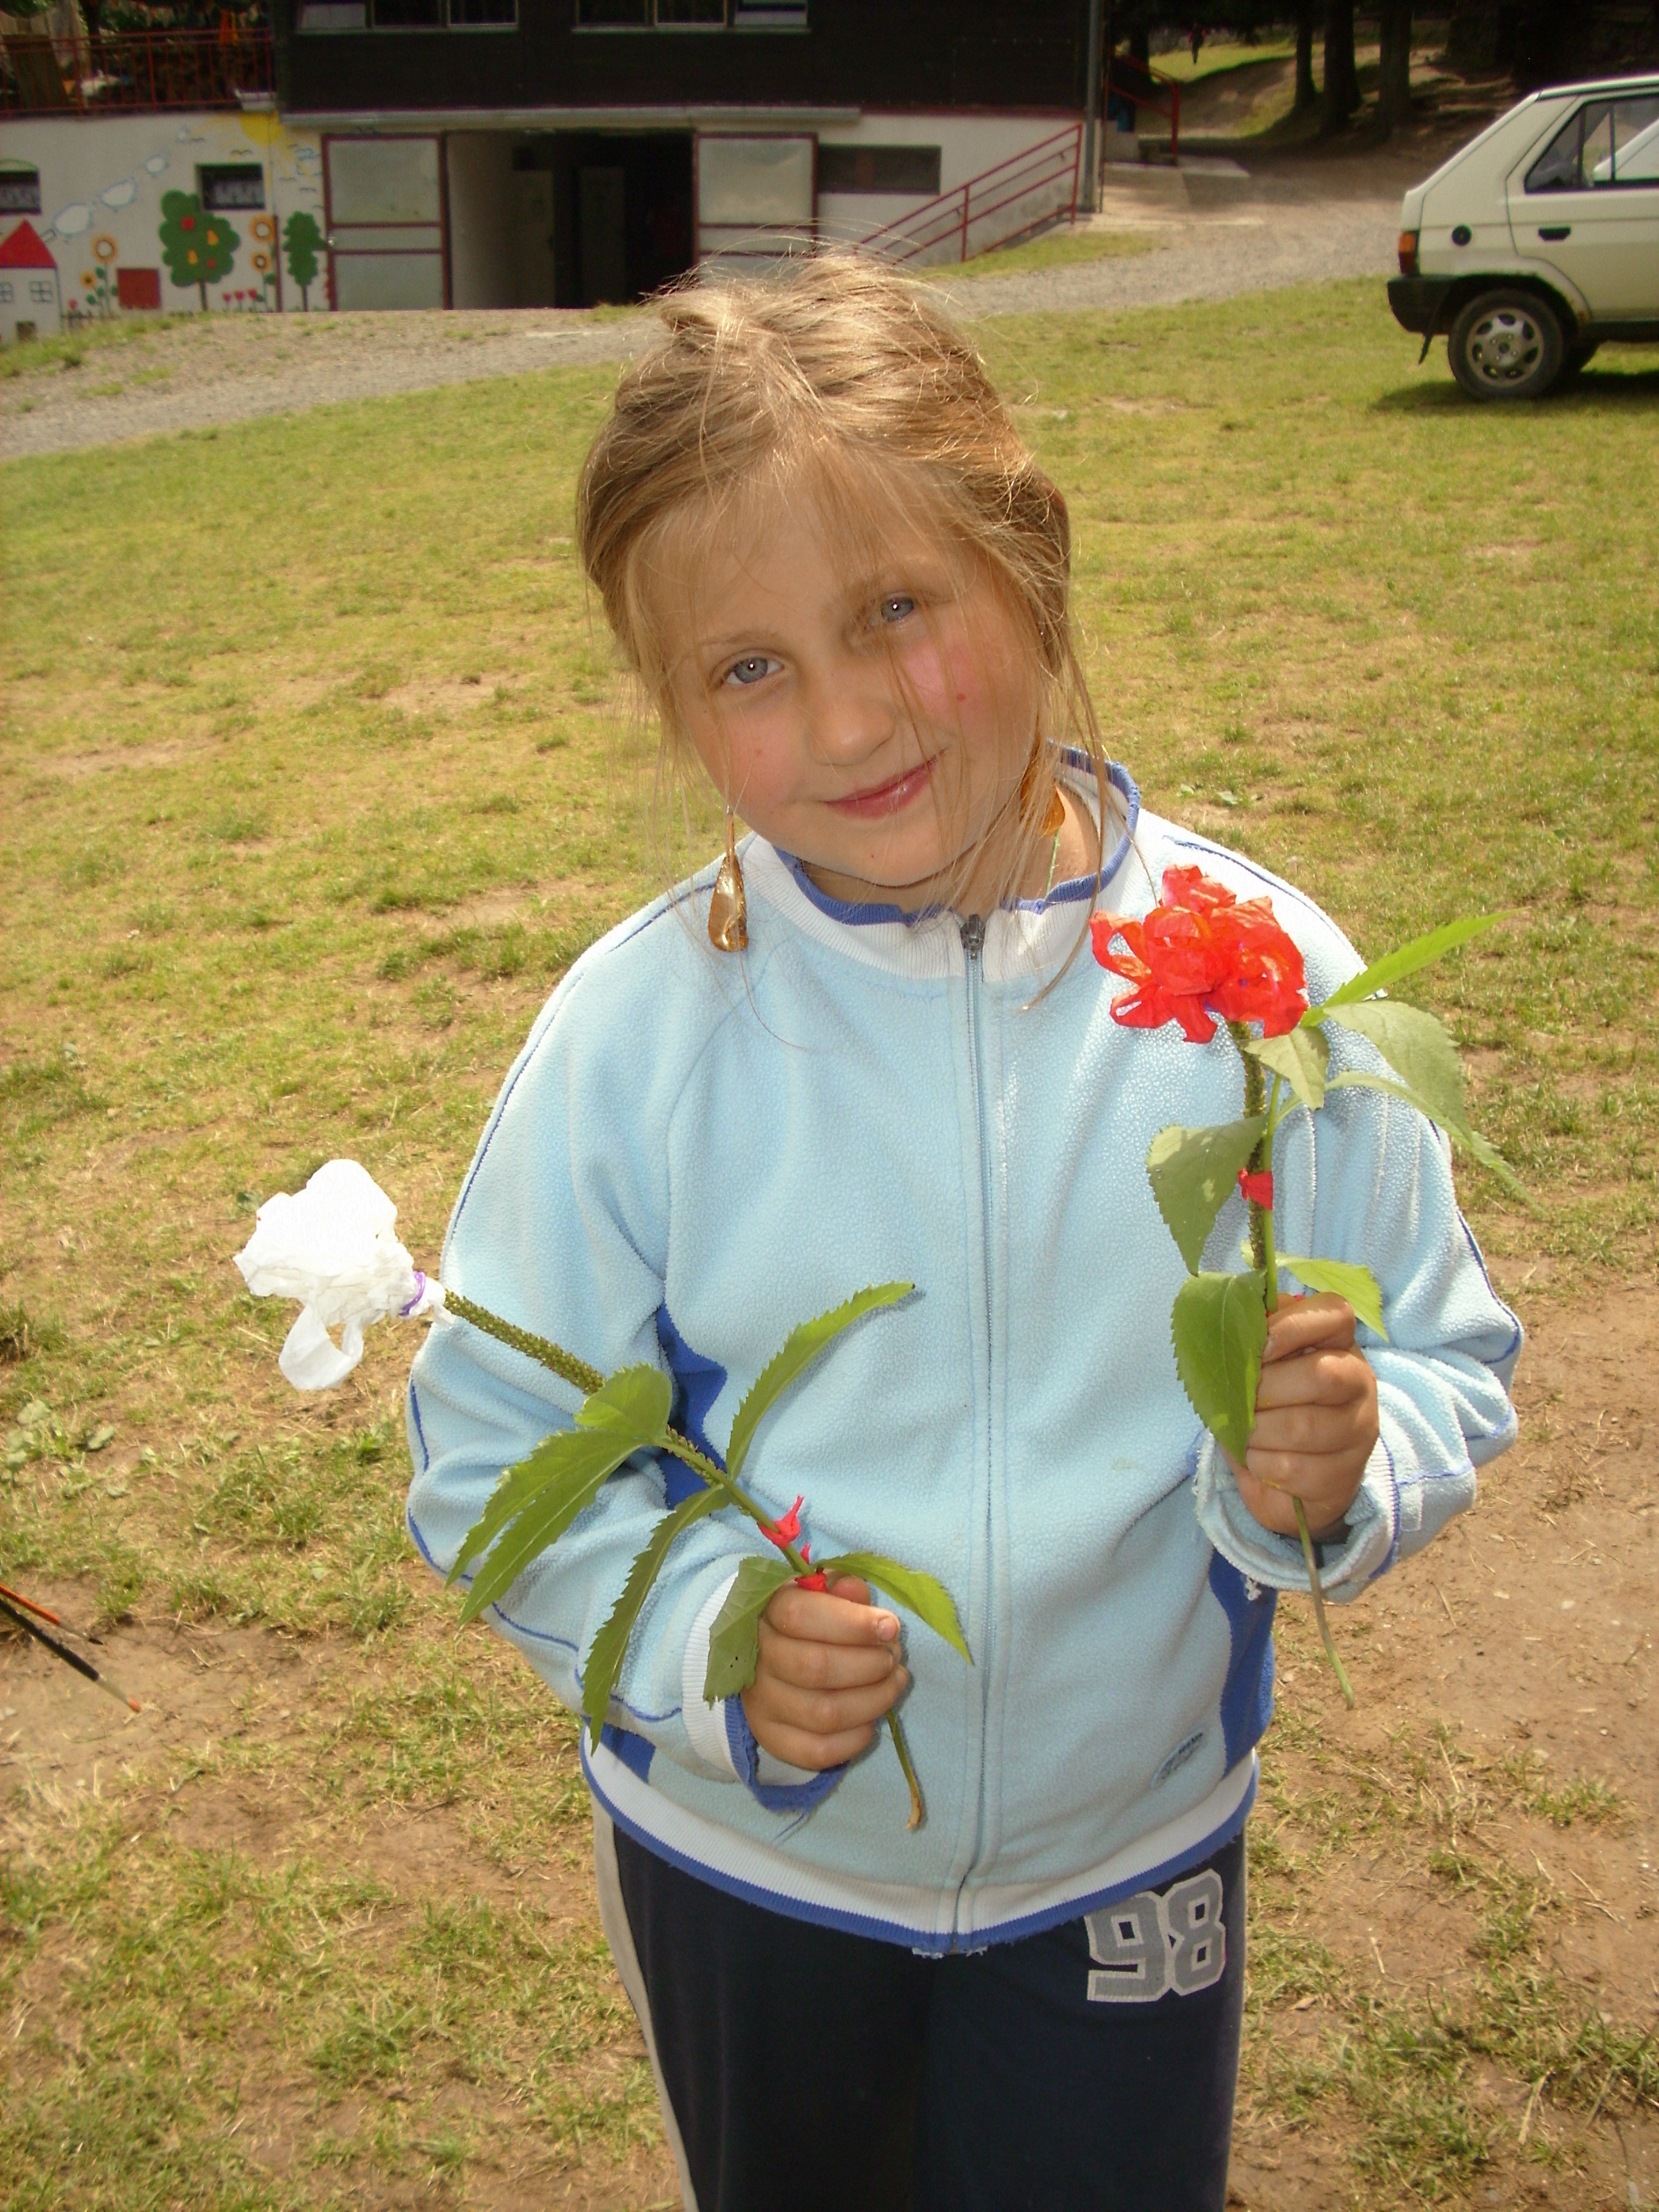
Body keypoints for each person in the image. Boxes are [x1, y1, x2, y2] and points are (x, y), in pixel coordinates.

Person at [404, 253, 1520, 2212]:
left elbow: (1442, 1352)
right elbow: (492, 1462)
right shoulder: (639, 1041)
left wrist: (1335, 1470)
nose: (848, 720)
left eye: (896, 610)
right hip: (754, 1873)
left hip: (1128, 1858)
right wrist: (710, 1640)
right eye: (748, 670)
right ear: (674, 709)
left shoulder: (1255, 988)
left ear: (1034, 565)